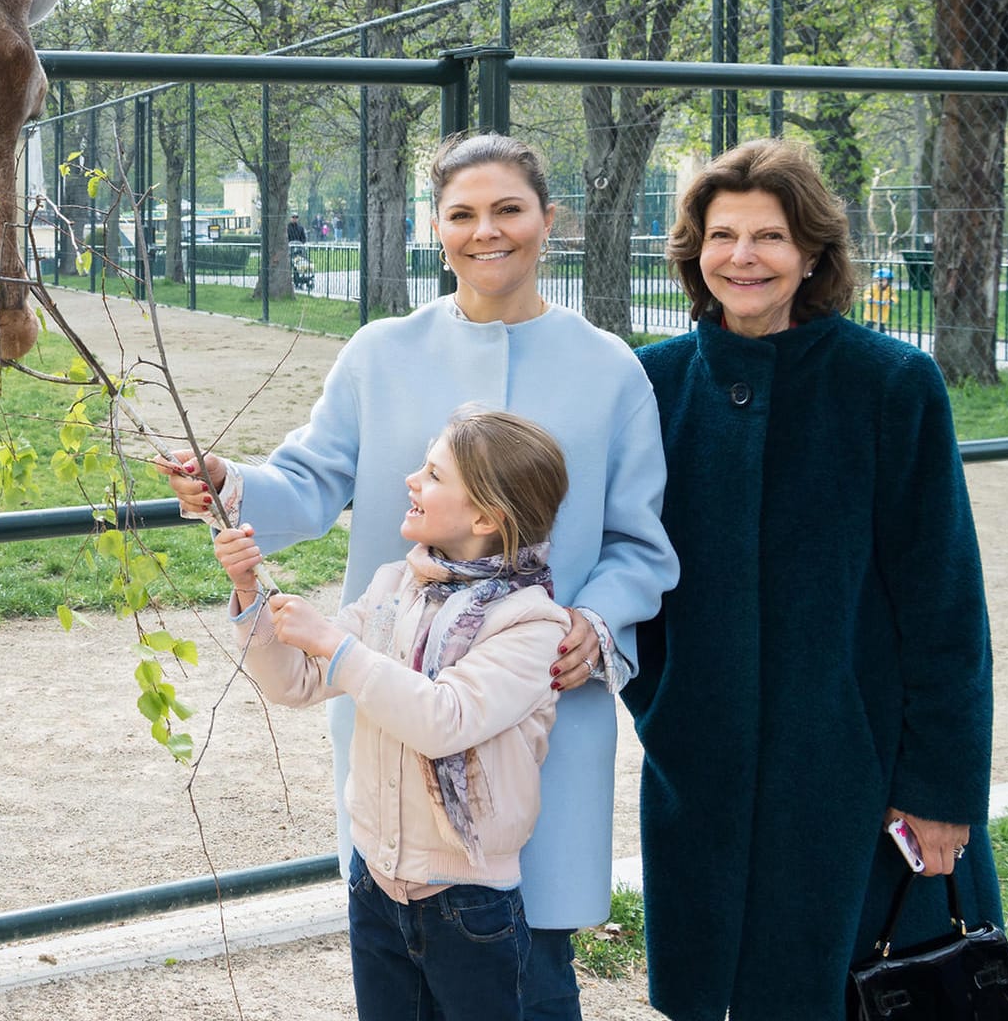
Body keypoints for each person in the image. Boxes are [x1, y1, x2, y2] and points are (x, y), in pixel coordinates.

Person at [160, 131, 677, 1020]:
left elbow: (642, 545)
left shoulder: (612, 369)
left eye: (509, 209)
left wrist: (595, 623)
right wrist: (229, 483)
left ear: (549, 220)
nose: (488, 232)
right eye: (463, 214)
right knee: (401, 951)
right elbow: (313, 478)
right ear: (435, 229)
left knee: (532, 967)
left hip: (539, 703)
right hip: (394, 701)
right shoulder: (379, 352)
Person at [629, 139, 1001, 1020]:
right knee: (710, 986)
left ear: (812, 255)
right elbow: (624, 561)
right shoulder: (653, 384)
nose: (744, 257)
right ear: (695, 250)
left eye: (771, 236)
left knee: (847, 989)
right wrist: (664, 703)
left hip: (854, 774)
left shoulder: (890, 385)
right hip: (701, 761)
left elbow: (946, 603)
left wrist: (941, 793)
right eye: (723, 235)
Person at [214, 407, 573, 1020]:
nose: (410, 480)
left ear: (486, 516)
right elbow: (296, 682)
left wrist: (336, 645)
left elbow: (444, 719)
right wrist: (252, 593)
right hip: (374, 882)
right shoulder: (394, 587)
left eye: (433, 474)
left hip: (468, 902)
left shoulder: (530, 623)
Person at [859, 264, 897, 331]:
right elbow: (866, 294)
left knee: (881, 327)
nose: (880, 282)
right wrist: (870, 299)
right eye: (878, 280)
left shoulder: (890, 289)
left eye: (883, 280)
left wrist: (890, 301)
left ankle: (881, 337)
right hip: (872, 310)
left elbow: (894, 297)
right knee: (869, 325)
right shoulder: (873, 287)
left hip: (883, 310)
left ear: (889, 281)